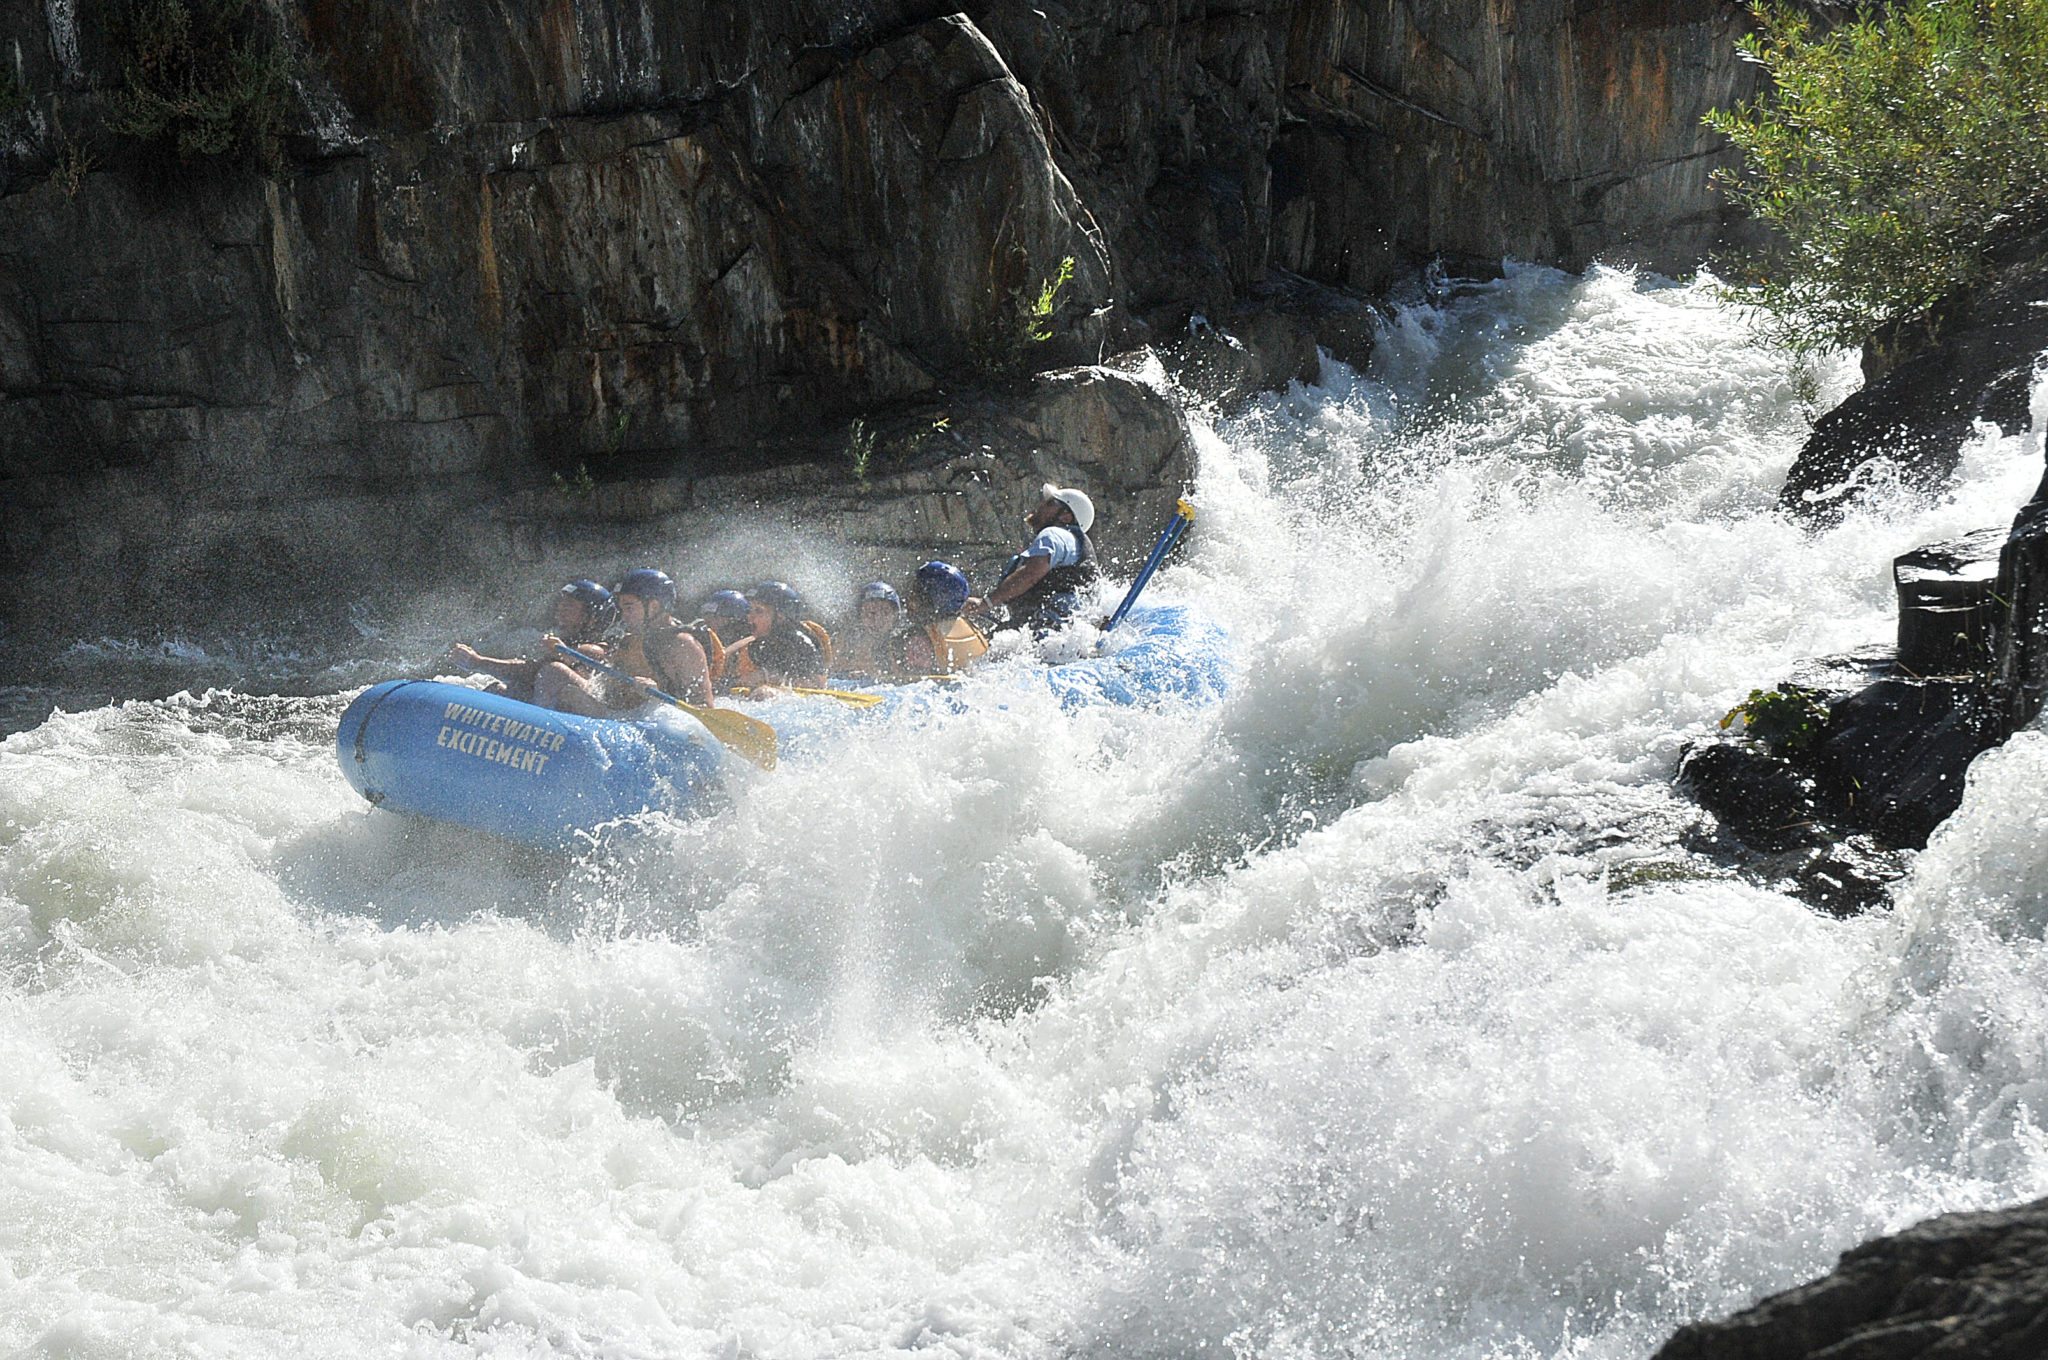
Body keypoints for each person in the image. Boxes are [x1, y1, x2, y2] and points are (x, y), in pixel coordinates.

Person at [534, 568, 712, 715]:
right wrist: (564, 651)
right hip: (616, 711)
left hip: (644, 725)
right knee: (554, 672)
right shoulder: (633, 637)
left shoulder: (683, 646)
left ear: (654, 606)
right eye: (622, 608)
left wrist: (657, 696)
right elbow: (601, 657)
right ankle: (534, 725)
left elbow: (704, 708)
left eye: (629, 607)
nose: (624, 616)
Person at [446, 579, 616, 703]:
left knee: (553, 671)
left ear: (592, 619)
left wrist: (478, 662)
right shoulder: (569, 646)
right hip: (551, 707)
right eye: (560, 608)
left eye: (568, 608)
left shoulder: (595, 650)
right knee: (498, 690)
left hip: (575, 722)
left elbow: (532, 671)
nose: (559, 615)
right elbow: (529, 668)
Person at [965, 483, 1099, 633]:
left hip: (1045, 630)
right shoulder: (1075, 546)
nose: (1041, 505)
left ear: (1066, 516)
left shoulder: (1054, 534)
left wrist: (985, 603)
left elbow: (1031, 573)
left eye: (1050, 503)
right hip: (1059, 631)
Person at [724, 581, 828, 690]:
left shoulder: (799, 642)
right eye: (750, 610)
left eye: (758, 611)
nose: (750, 617)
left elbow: (818, 684)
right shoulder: (762, 642)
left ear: (780, 616)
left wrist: (768, 678)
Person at [902, 562, 988, 676]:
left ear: (932, 601)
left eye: (916, 592)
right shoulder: (969, 628)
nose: (908, 597)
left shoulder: (917, 639)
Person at [838, 581, 907, 682]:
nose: (878, 620)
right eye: (871, 613)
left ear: (895, 616)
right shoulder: (846, 642)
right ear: (860, 616)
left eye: (885, 612)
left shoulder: (904, 643)